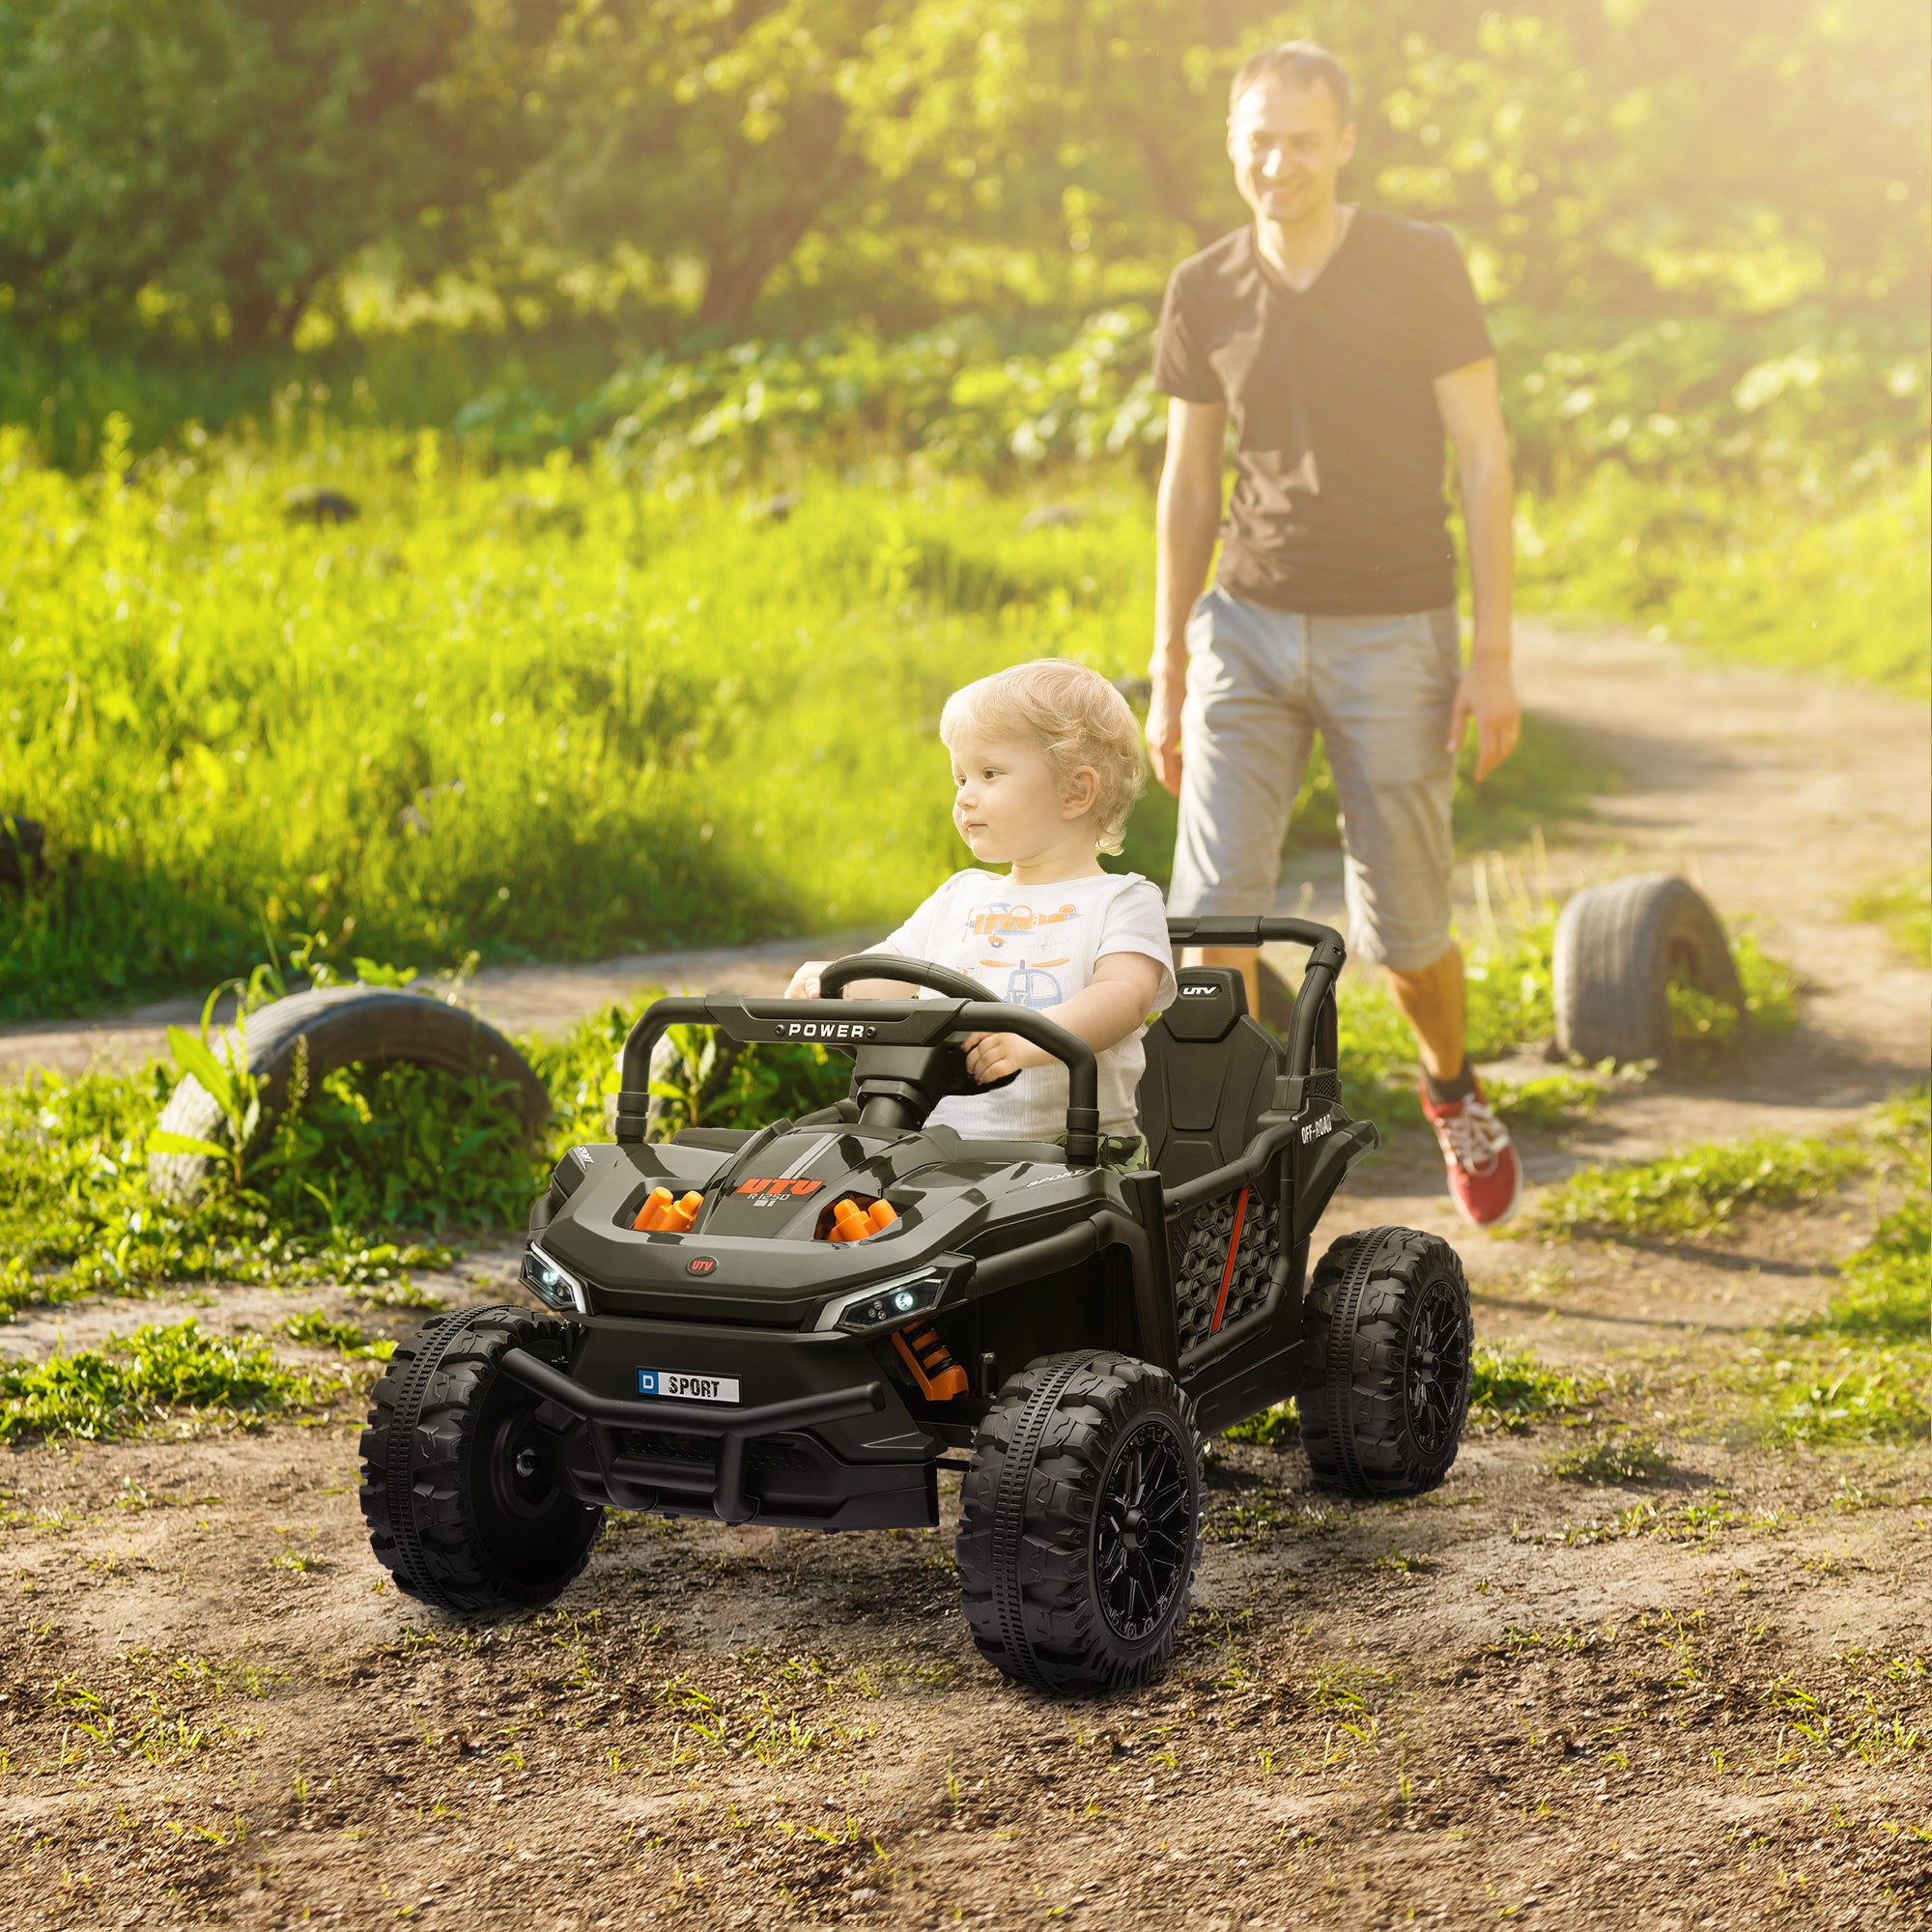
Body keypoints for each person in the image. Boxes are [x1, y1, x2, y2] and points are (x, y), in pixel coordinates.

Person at [1145, 39, 1524, 1226]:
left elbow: (1482, 452)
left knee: (1404, 930)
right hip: (1244, 628)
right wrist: (1165, 663)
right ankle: (1251, 1153)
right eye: (1257, 139)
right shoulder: (1202, 287)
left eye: (1302, 139)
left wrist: (1493, 651)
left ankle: (1448, 1086)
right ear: (1231, 146)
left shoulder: (1418, 264)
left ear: (1344, 141)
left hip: (1394, 630)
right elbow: (1188, 482)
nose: (1278, 162)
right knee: (1207, 921)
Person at [786, 660, 1176, 1166]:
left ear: (1076, 791)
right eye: (960, 776)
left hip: (1076, 1159)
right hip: (936, 1154)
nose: (965, 796)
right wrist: (833, 984)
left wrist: (1029, 1038)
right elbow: (890, 970)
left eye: (989, 774)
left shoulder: (1122, 901)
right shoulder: (961, 896)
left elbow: (1122, 997)